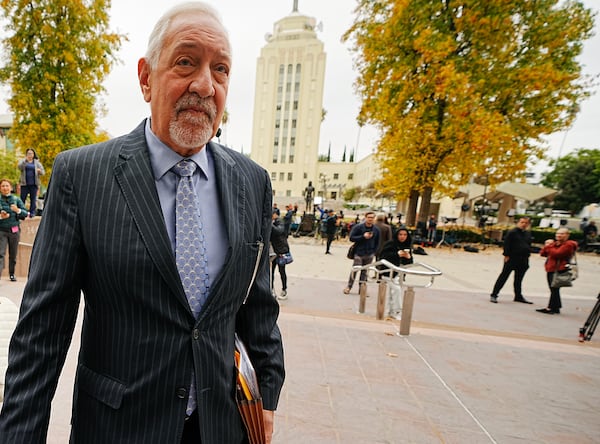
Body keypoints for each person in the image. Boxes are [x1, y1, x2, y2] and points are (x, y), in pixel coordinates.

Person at [0, 4, 285, 443]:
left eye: (221, 69)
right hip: (118, 428)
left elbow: (258, 308)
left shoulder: (253, 182)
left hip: (220, 427)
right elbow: (42, 333)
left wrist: (266, 394)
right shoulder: (82, 175)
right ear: (146, 77)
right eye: (186, 62)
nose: (205, 85)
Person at [490, 217, 534, 304]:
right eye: (522, 222)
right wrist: (506, 255)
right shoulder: (512, 232)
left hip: (523, 259)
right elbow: (506, 244)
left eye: (526, 223)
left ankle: (518, 295)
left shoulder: (527, 233)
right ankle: (494, 294)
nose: (524, 224)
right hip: (512, 258)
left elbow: (528, 244)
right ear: (518, 223)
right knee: (504, 276)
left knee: (518, 279)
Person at [537, 227, 578, 314]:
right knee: (554, 289)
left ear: (567, 235)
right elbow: (543, 253)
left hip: (559, 269)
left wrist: (549, 246)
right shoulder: (555, 244)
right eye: (557, 233)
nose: (559, 235)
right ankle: (555, 307)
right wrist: (548, 246)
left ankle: (551, 308)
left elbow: (557, 254)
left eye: (562, 234)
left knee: (554, 288)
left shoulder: (569, 245)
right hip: (551, 268)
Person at [379, 227, 413, 319]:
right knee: (396, 290)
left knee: (393, 292)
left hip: (400, 272)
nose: (402, 237)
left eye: (405, 235)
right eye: (400, 234)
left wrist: (408, 257)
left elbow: (409, 263)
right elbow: (383, 257)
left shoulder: (407, 246)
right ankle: (397, 311)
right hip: (388, 272)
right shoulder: (390, 244)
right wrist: (397, 254)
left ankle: (390, 311)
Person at [343, 211, 380, 294]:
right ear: (365, 218)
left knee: (365, 272)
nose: (370, 219)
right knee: (355, 270)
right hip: (359, 252)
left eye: (372, 218)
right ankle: (349, 286)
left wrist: (374, 252)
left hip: (369, 253)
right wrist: (363, 237)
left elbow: (378, 242)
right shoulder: (358, 227)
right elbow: (351, 238)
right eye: (369, 217)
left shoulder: (376, 230)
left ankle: (362, 289)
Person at [0, 179, 28, 282]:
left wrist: (18, 210)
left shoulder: (16, 199)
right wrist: (1, 216)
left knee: (13, 254)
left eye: (7, 186)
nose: (5, 188)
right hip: (1, 230)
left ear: (11, 188)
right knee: (1, 253)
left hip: (14, 230)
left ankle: (12, 274)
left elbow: (25, 214)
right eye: (3, 186)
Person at [17, 148, 45, 217]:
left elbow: (43, 172)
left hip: (34, 184)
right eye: (28, 153)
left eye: (31, 153)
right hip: (24, 184)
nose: (30, 155)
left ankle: (32, 213)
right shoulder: (23, 161)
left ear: (33, 154)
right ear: (26, 154)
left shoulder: (37, 163)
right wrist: (25, 161)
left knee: (33, 199)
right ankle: (22, 213)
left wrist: (39, 171)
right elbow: (19, 167)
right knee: (22, 199)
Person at [270, 210, 290, 300]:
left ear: (275, 215)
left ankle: (284, 289)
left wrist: (270, 224)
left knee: (282, 271)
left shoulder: (280, 222)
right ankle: (271, 290)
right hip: (274, 251)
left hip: (281, 251)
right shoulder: (273, 222)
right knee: (271, 272)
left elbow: (279, 231)